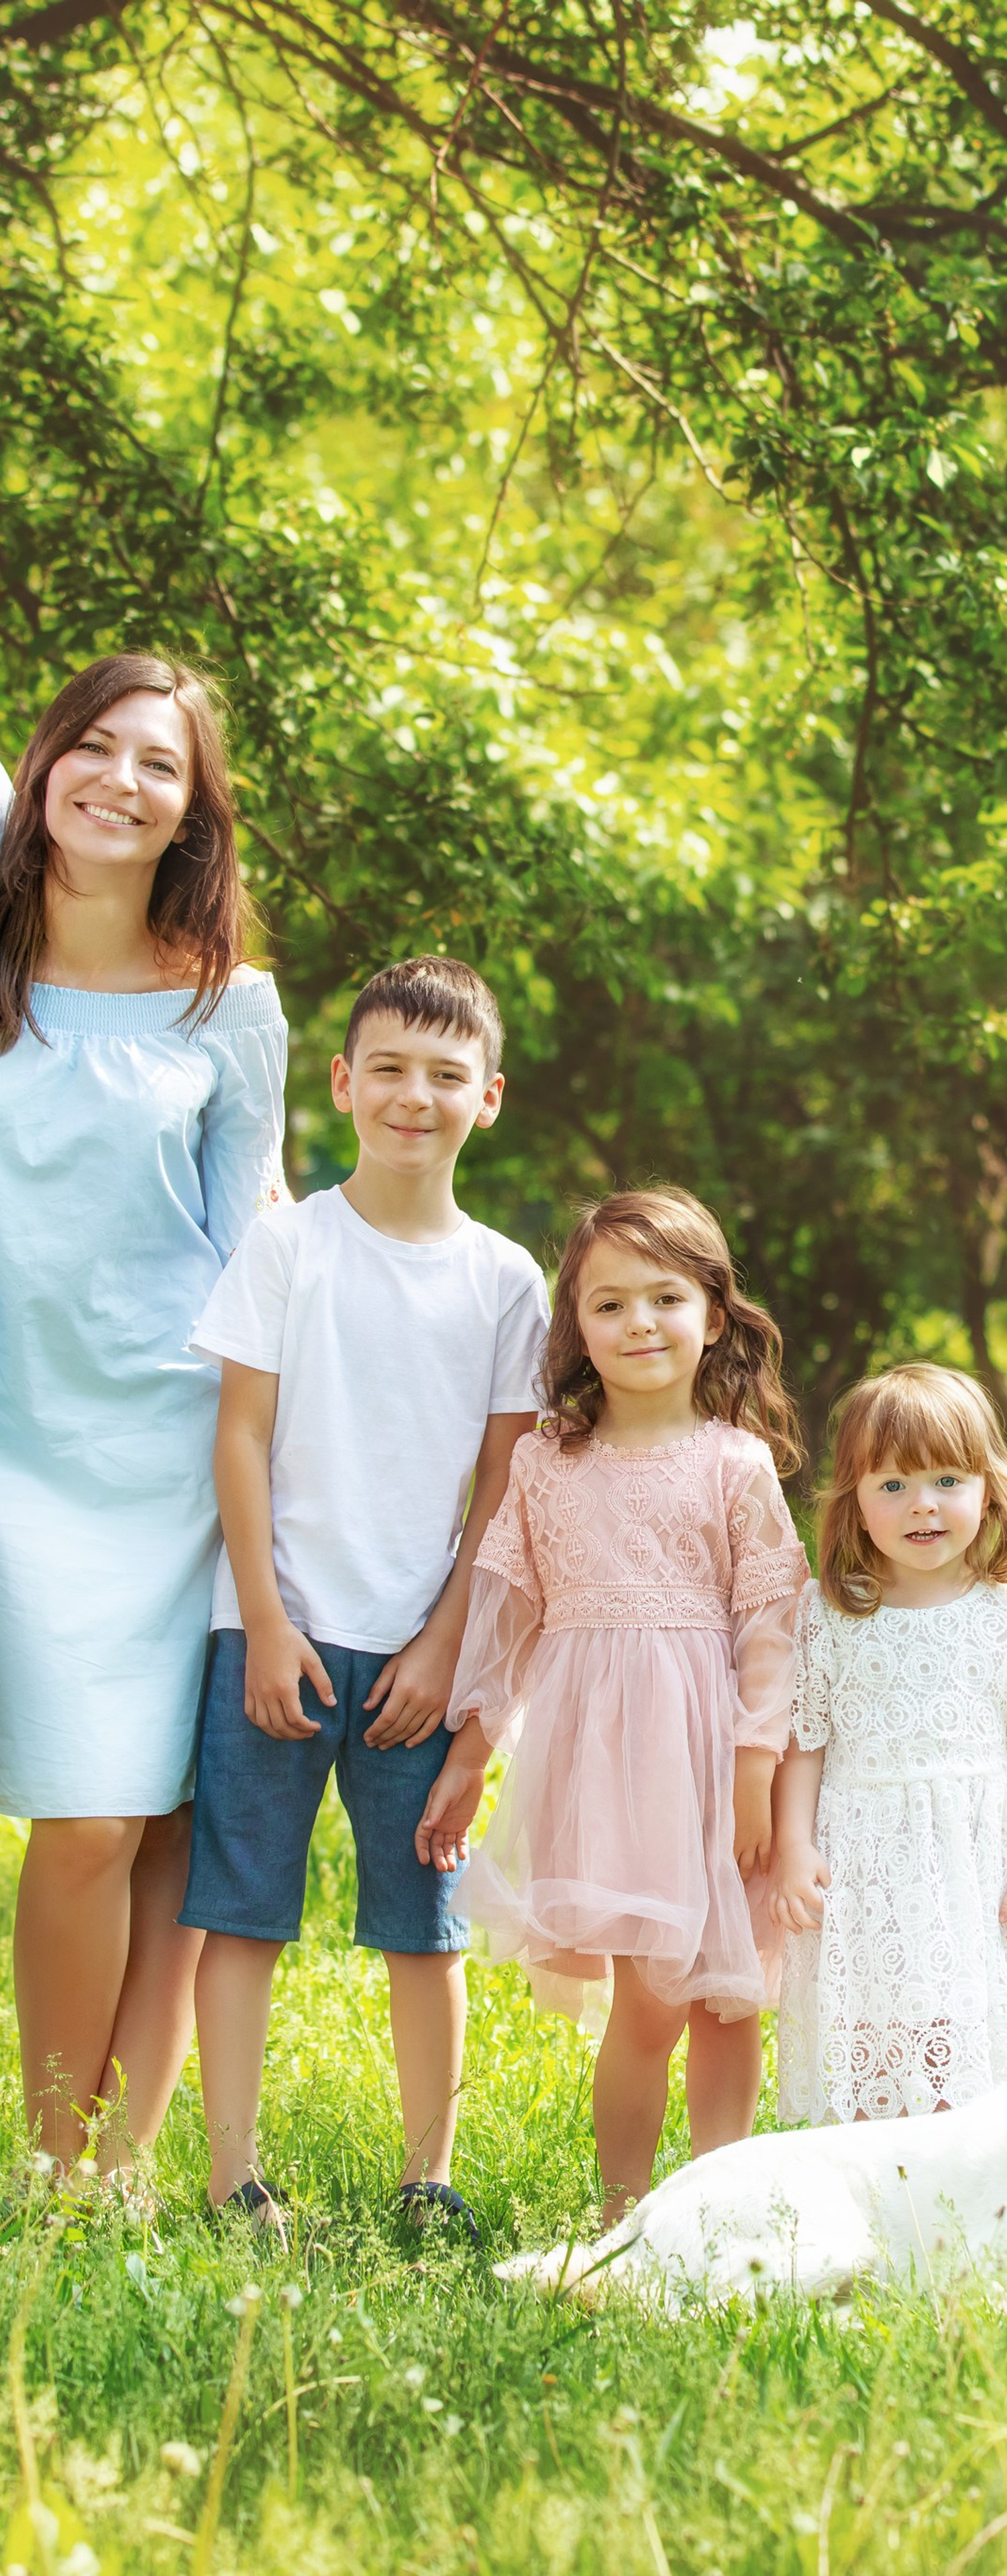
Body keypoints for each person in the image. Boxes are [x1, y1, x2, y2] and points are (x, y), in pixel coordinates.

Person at [178, 957, 549, 2234]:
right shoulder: (288, 1247)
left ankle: (428, 2180)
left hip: (417, 1654)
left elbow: (507, 1480)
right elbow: (239, 1437)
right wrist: (265, 1622)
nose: (414, 1095)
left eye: (446, 1076)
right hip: (271, 1635)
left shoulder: (507, 1280)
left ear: (487, 1098)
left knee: (423, 1923)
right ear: (341, 1084)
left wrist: (452, 1646)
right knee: (242, 1907)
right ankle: (236, 2178)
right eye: (387, 1068)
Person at [0, 655, 287, 2178]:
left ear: (194, 810)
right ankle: (54, 2165)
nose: (119, 779)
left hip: (179, 1447)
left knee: (167, 1820)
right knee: (86, 1809)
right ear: (40, 766)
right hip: (21, 1455)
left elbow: (260, 1232)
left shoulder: (225, 1004)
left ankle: (110, 2177)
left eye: (158, 764)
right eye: (91, 748)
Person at [417, 1187, 808, 2228]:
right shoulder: (550, 1463)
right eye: (610, 1305)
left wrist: (756, 1765)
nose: (639, 1324)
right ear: (577, 1328)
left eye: (665, 1299)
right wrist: (470, 1755)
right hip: (611, 1771)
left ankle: (724, 2211)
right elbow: (509, 1621)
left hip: (721, 1761)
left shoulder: (736, 1461)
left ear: (713, 1317)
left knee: (734, 1998)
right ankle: (624, 2216)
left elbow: (773, 1626)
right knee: (652, 1999)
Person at [771, 1363, 1007, 2124]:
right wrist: (793, 1844)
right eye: (891, 1486)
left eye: (946, 1480)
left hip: (973, 1860)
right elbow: (805, 1741)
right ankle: (873, 2167)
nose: (921, 1505)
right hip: (861, 1861)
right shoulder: (827, 1613)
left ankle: (964, 2174)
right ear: (853, 1501)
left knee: (965, 2016)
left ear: (988, 1488)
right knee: (868, 2019)